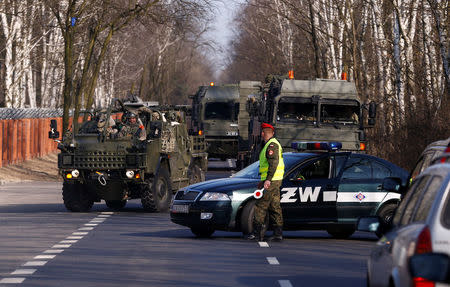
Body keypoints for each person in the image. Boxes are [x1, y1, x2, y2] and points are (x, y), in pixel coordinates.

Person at [246, 123, 285, 242]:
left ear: (263, 133)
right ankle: (278, 233)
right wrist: (264, 180)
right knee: (274, 206)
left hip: (272, 180)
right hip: (275, 179)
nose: (261, 134)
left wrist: (267, 179)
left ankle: (256, 234)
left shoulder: (271, 145)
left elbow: (273, 164)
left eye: (262, 132)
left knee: (261, 206)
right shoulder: (272, 144)